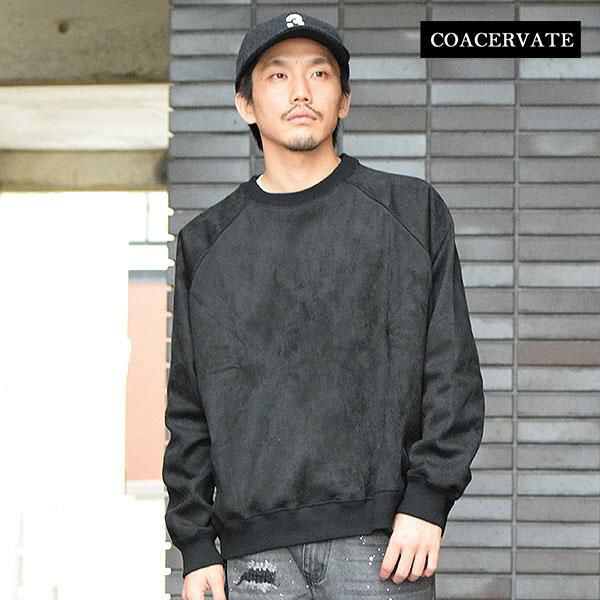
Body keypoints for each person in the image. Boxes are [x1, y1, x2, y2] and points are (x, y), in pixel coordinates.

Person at [162, 11, 485, 600]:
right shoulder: (205, 244)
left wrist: (427, 500)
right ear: (246, 104)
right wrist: (195, 543)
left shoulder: (411, 213)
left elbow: (451, 370)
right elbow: (188, 407)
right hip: (252, 555)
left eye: (319, 73)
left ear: (344, 100)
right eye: (277, 75)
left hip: (382, 545)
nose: (301, 91)